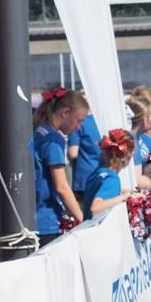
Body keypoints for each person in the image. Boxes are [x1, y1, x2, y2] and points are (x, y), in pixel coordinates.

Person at [32, 88, 89, 247]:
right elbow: (62, 187)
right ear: (65, 113)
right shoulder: (53, 139)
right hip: (47, 221)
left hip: (34, 216)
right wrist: (83, 221)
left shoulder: (39, 131)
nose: (79, 127)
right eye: (79, 120)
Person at [82, 129, 135, 219]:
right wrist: (125, 197)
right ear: (126, 158)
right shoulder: (112, 179)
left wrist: (122, 192)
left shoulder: (97, 173)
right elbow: (95, 208)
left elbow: (101, 191)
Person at [67, 111, 101, 206]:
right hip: (103, 177)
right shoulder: (103, 121)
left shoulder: (78, 123)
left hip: (83, 181)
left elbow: (73, 153)